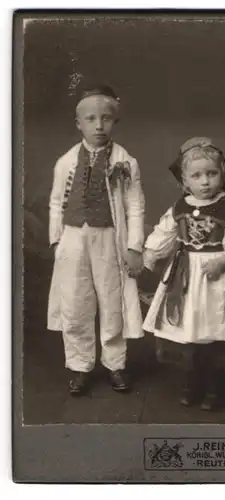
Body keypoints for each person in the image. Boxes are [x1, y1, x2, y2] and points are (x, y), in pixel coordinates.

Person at [141, 137, 225, 410]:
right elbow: (164, 234)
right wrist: (149, 256)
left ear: (221, 174)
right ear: (184, 180)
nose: (205, 181)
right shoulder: (179, 209)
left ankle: (214, 389)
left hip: (215, 277)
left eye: (211, 174)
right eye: (197, 175)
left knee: (213, 332)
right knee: (189, 332)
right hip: (186, 275)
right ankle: (192, 384)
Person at [47, 83, 145, 396]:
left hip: (109, 237)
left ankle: (115, 363)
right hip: (74, 237)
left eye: (106, 118)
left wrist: (134, 247)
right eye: (90, 119)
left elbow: (135, 205)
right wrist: (56, 240)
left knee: (111, 298)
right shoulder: (65, 162)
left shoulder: (126, 161)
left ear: (115, 122)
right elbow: (55, 202)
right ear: (79, 123)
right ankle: (79, 365)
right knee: (75, 300)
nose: (99, 125)